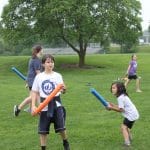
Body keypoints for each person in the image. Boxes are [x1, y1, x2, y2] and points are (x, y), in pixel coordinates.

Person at [31, 54, 70, 150]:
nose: (50, 64)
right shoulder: (39, 77)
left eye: (52, 62)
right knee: (42, 130)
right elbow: (34, 92)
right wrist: (33, 106)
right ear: (43, 64)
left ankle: (65, 143)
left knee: (61, 128)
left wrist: (64, 89)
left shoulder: (57, 76)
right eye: (48, 62)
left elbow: (63, 90)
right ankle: (43, 148)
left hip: (56, 104)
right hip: (43, 105)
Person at [106, 81, 139, 146]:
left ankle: (127, 143)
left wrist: (111, 108)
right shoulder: (122, 96)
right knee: (126, 127)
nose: (112, 89)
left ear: (120, 89)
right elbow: (121, 107)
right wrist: (112, 105)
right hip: (133, 114)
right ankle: (130, 138)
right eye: (112, 88)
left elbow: (121, 110)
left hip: (130, 115)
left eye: (114, 88)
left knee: (123, 127)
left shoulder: (120, 98)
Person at [14, 45, 43, 116]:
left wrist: (28, 82)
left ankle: (38, 110)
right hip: (34, 81)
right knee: (34, 97)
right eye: (42, 49)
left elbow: (31, 71)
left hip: (31, 80)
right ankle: (18, 108)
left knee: (36, 96)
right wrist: (42, 81)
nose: (43, 51)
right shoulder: (36, 60)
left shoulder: (33, 58)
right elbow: (38, 72)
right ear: (39, 50)